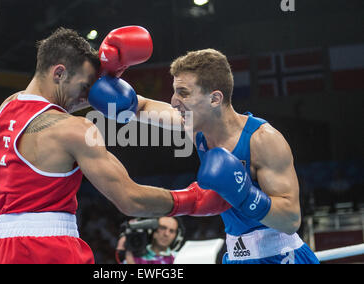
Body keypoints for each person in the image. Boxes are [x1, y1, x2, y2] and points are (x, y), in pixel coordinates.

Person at [0, 27, 231, 264]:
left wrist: (106, 80)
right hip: (49, 248)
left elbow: (122, 105)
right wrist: (193, 200)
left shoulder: (4, 111)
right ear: (59, 73)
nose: (87, 98)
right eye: (85, 87)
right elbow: (130, 200)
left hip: (0, 248)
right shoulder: (73, 129)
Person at [92, 47, 320, 264]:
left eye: (184, 93)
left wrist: (245, 195)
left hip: (281, 255)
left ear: (215, 99)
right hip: (236, 256)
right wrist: (102, 78)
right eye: (174, 91)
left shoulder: (263, 140)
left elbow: (291, 220)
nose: (173, 101)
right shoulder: (195, 127)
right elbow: (140, 106)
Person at [116, 217, 183, 264]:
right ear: (152, 231)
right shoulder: (133, 257)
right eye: (162, 228)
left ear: (176, 237)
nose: (166, 234)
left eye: (171, 231)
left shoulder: (180, 258)